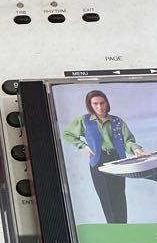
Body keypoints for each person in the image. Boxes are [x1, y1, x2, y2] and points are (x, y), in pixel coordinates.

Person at [62, 89, 148, 224]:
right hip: (98, 161)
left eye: (102, 103)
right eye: (95, 104)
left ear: (107, 103)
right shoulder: (84, 121)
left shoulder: (117, 121)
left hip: (117, 160)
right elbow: (67, 134)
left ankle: (123, 228)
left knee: (119, 195)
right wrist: (83, 146)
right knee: (106, 198)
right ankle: (113, 230)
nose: (99, 107)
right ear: (90, 105)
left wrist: (136, 149)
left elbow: (128, 141)